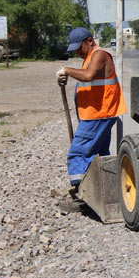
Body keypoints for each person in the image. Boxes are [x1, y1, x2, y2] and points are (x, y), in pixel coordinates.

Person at [56, 27, 127, 211]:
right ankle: (105, 195)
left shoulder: (99, 54)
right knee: (99, 155)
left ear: (89, 41)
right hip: (96, 115)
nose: (78, 52)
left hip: (99, 115)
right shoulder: (89, 57)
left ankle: (82, 198)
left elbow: (88, 76)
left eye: (79, 47)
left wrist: (67, 70)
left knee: (78, 154)